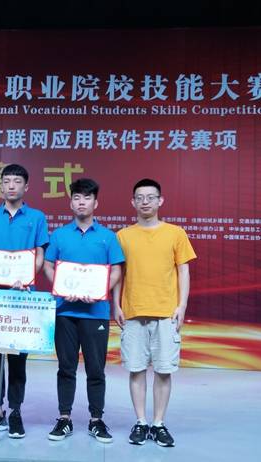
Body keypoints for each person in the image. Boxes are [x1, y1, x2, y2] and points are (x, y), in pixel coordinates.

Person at [112, 178, 196, 447]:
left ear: (160, 201)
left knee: (163, 370)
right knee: (136, 370)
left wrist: (182, 306)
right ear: (133, 202)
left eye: (150, 197)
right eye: (140, 197)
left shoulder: (175, 233)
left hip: (166, 313)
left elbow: (183, 270)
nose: (145, 202)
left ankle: (158, 423)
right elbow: (119, 273)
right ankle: (140, 422)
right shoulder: (123, 236)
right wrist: (116, 304)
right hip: (133, 311)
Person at [43, 178, 124, 443]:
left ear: (95, 203)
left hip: (95, 312)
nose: (81, 202)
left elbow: (116, 271)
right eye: (77, 197)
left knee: (96, 369)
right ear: (71, 203)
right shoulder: (59, 235)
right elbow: (48, 265)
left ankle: (96, 420)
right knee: (66, 367)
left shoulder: (108, 237)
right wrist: (60, 287)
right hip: (65, 312)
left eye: (87, 198)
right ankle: (64, 418)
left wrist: (99, 291)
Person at [0, 163, 49, 439]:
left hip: (22, 297)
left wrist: (27, 278)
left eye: (17, 181)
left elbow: (39, 254)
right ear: (1, 186)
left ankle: (15, 411)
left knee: (17, 360)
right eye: (6, 181)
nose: (11, 186)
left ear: (26, 186)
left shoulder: (37, 217)